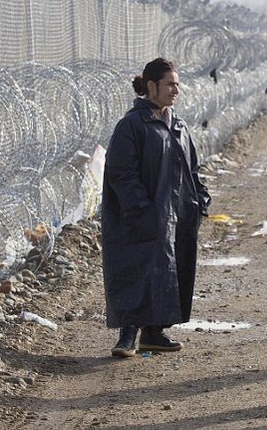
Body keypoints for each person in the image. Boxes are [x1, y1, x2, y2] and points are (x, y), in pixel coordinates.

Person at [101, 57, 211, 359]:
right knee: (137, 271)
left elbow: (192, 168)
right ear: (151, 86)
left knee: (170, 273)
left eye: (177, 84)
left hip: (176, 215)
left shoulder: (178, 125)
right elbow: (121, 174)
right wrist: (141, 209)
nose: (176, 90)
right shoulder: (132, 126)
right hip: (142, 217)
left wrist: (200, 199)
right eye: (170, 84)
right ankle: (128, 335)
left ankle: (155, 332)